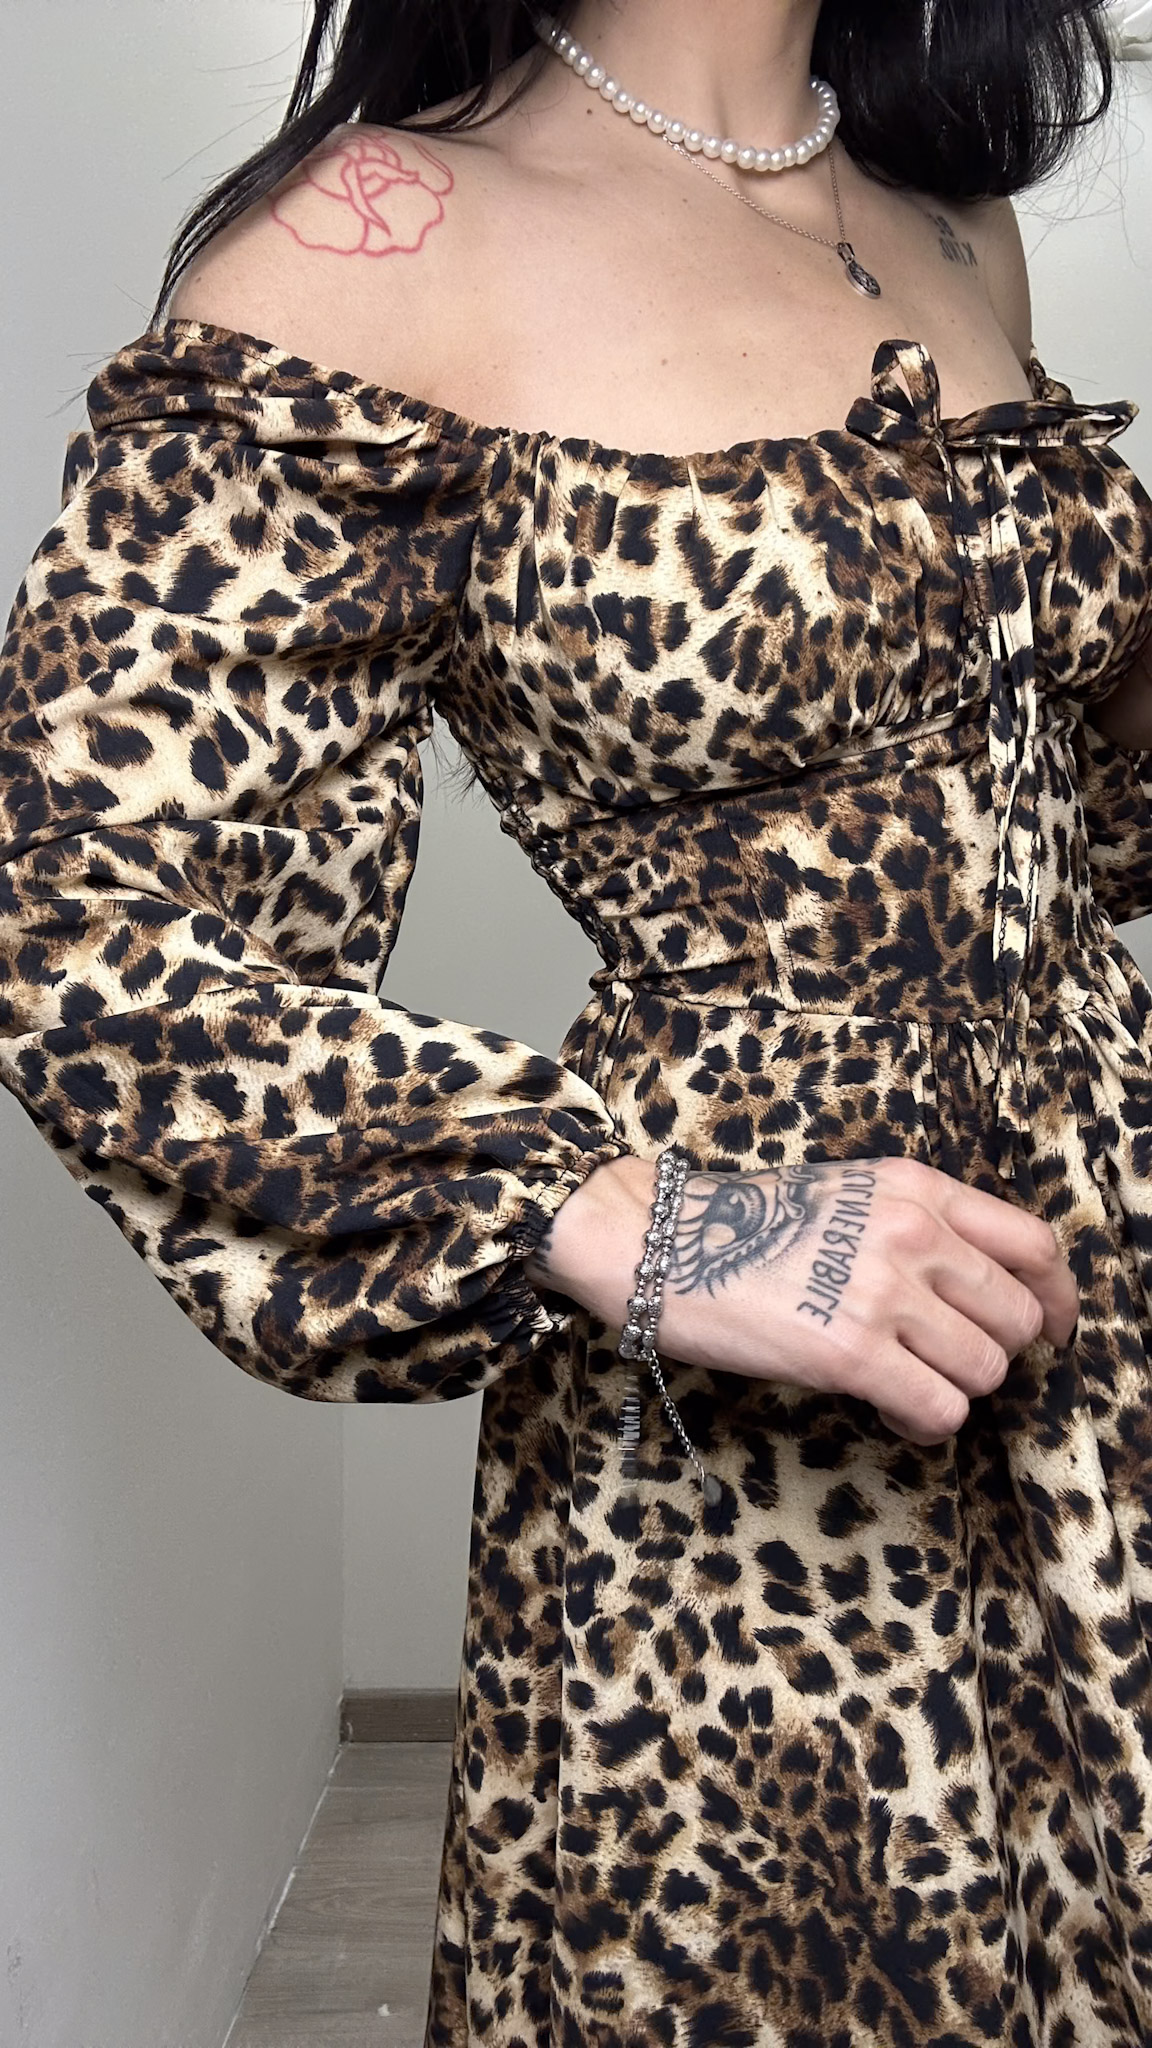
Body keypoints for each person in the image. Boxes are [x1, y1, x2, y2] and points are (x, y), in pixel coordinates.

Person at [3, 0, 1152, 2040]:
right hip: (759, 1396)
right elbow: (83, 919)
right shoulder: (371, 244)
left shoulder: (952, 221)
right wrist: (651, 1220)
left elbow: (1048, 807)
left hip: (1101, 1275)